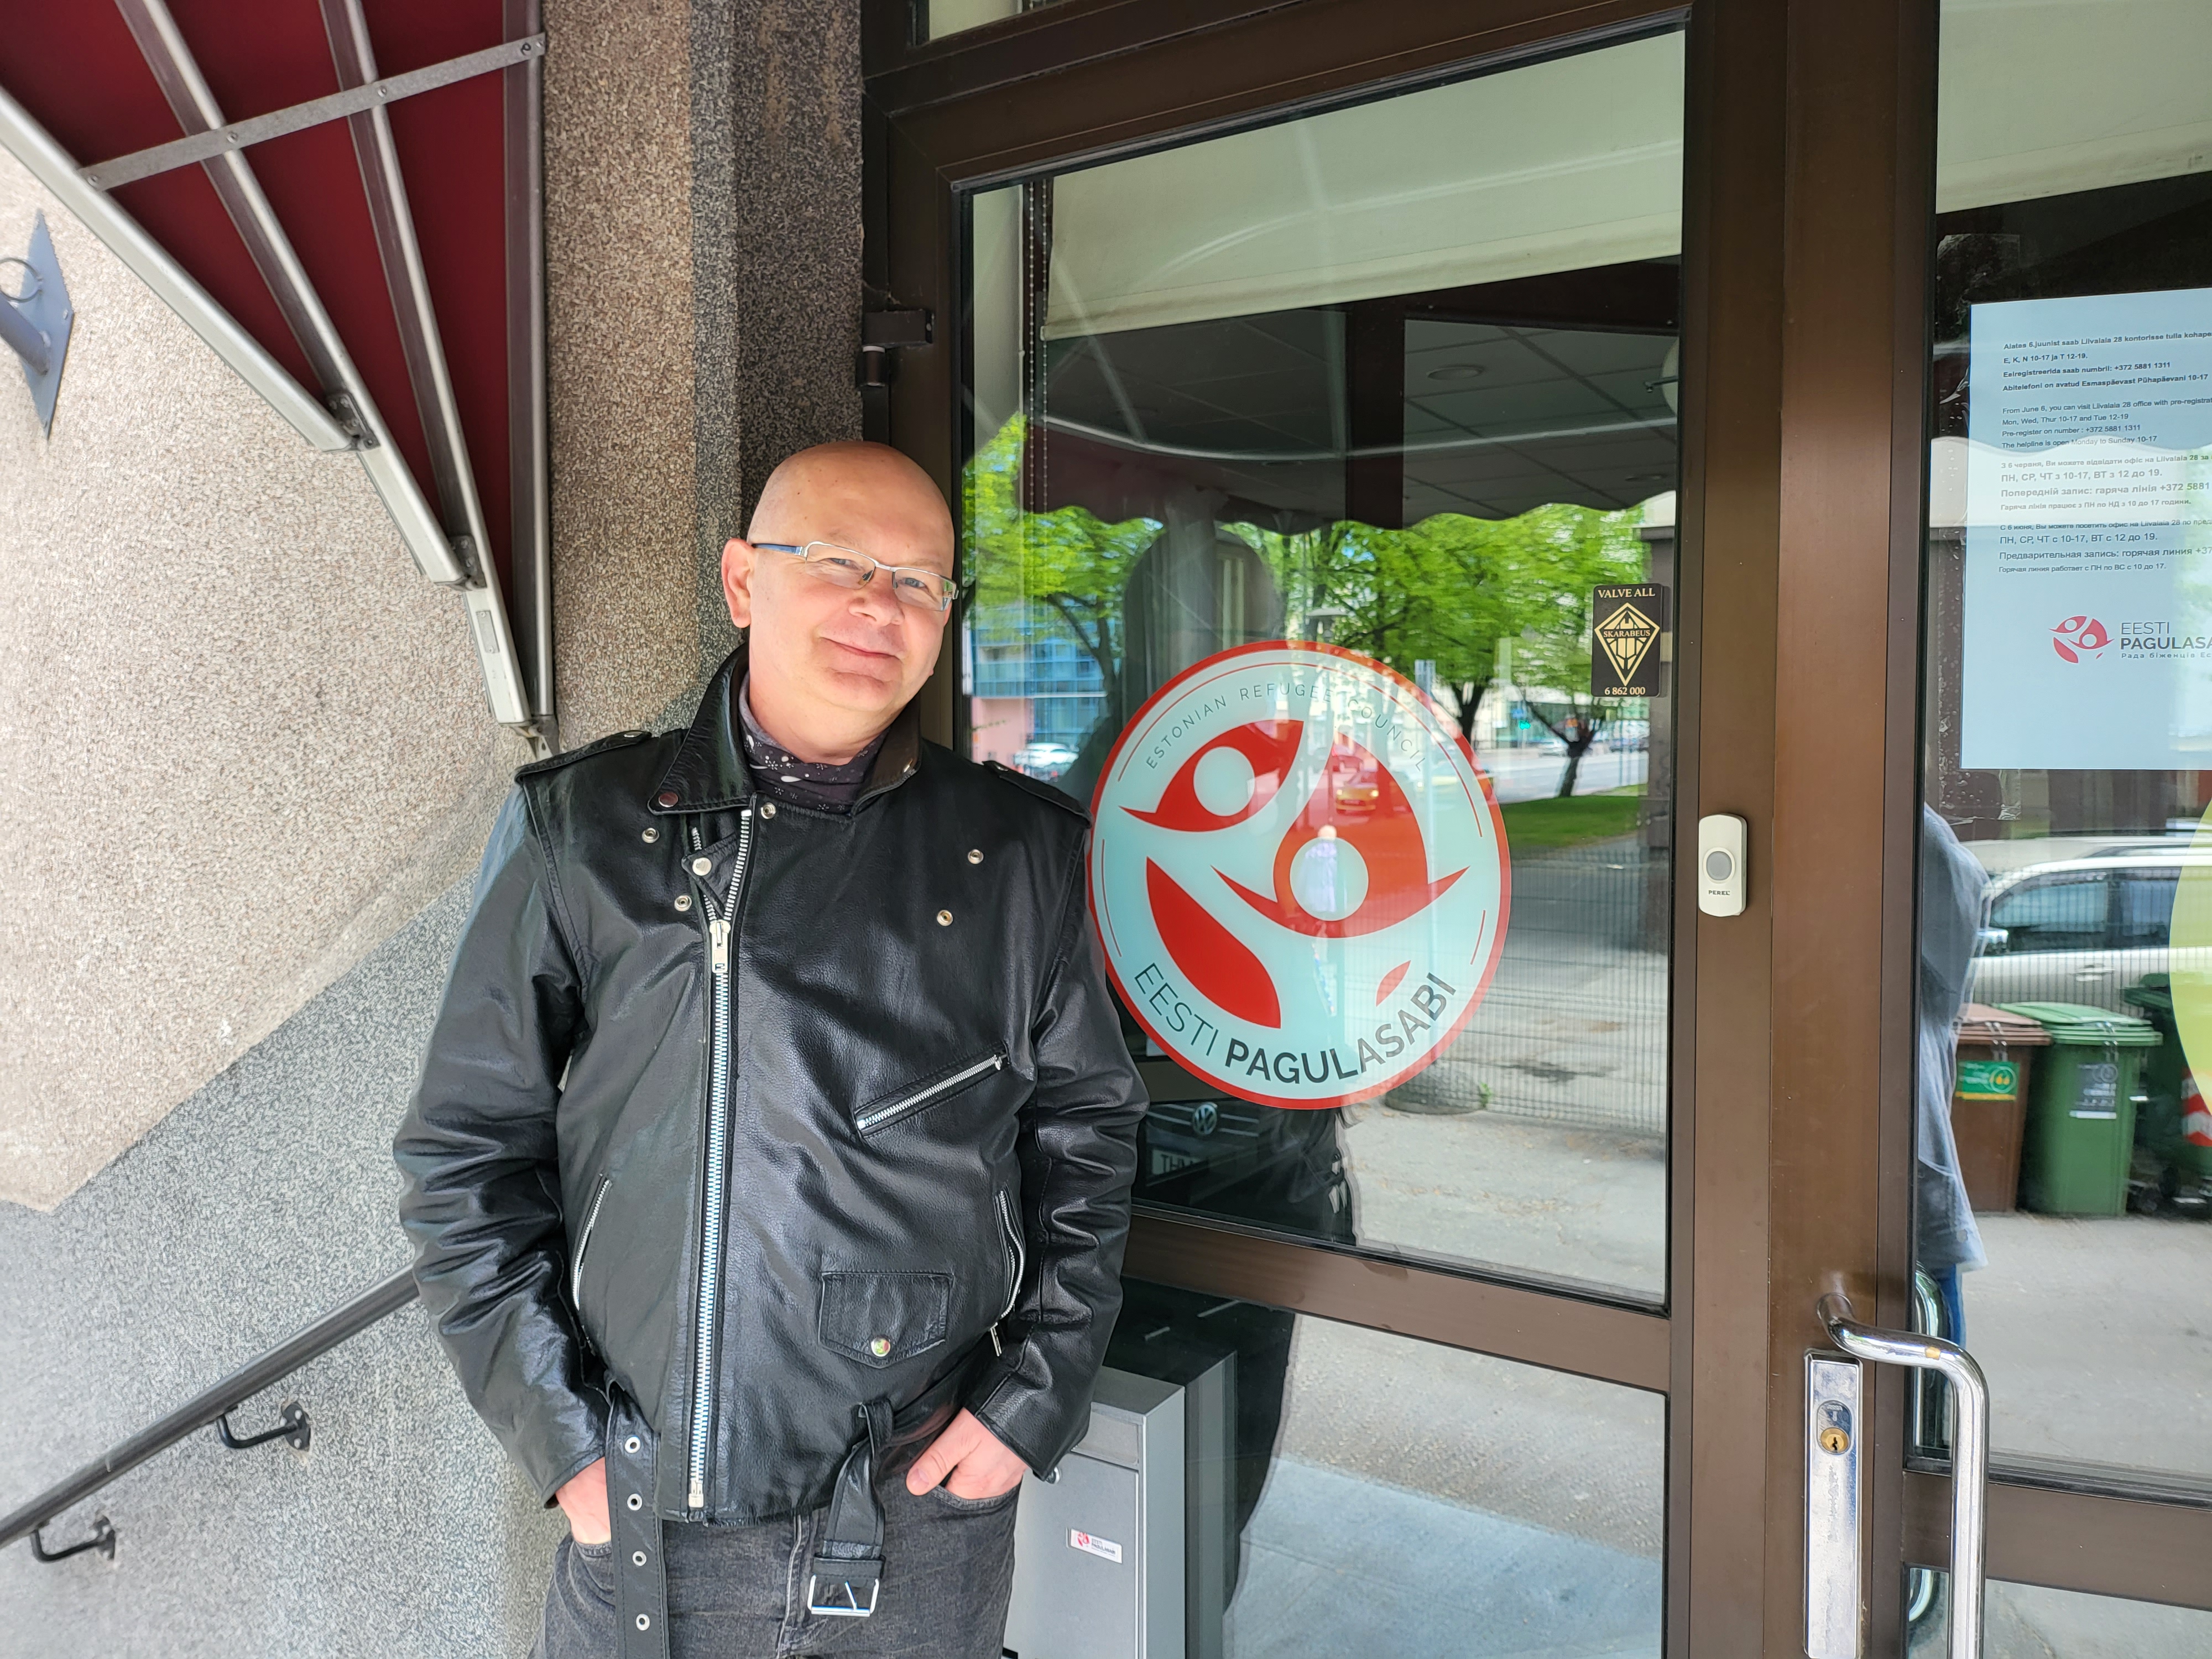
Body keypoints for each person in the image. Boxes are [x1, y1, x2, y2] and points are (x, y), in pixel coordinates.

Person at [394, 441, 1147, 1659]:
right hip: (650, 1511)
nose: (879, 605)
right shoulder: (585, 831)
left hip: (922, 1515)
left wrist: (1032, 1399)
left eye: (918, 581)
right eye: (840, 562)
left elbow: (1087, 1138)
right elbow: (464, 1156)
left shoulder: (1018, 854)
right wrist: (564, 1445)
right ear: (745, 581)